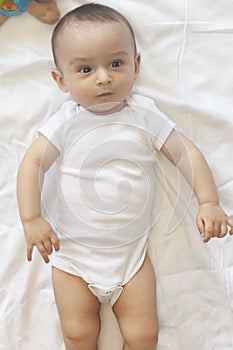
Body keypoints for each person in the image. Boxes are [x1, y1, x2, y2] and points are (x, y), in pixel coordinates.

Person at [16, 3, 233, 350]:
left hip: (130, 259)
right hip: (73, 256)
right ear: (61, 80)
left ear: (136, 65)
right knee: (77, 334)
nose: (103, 77)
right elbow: (32, 165)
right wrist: (31, 219)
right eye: (85, 69)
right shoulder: (65, 122)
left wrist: (209, 202)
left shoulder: (144, 115)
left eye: (115, 64)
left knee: (145, 336)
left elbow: (185, 152)